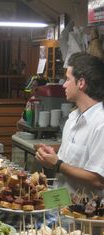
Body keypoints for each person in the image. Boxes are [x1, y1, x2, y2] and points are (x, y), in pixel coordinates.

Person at [36, 52, 104, 198]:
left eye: (67, 79)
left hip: (83, 216)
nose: (64, 85)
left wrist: (57, 164)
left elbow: (98, 180)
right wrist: (52, 158)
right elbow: (66, 164)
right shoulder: (73, 117)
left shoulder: (100, 123)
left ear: (81, 83)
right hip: (59, 202)